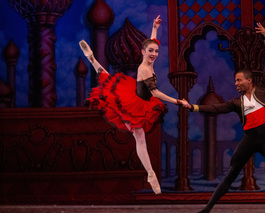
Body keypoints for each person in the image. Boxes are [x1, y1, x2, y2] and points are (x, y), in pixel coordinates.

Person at [183, 23, 265, 213]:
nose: (236, 83)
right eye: (235, 80)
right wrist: (193, 107)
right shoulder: (237, 103)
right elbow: (215, 108)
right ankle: (207, 209)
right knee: (229, 177)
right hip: (248, 141)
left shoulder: (263, 89)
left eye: (239, 80)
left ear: (249, 80)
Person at [79, 15, 188, 194]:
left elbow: (151, 43)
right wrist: (178, 101)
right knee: (139, 136)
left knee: (108, 78)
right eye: (150, 52)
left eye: (156, 51)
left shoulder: (149, 58)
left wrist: (155, 27)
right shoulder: (144, 69)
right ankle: (151, 173)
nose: (154, 54)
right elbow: (155, 93)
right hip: (136, 101)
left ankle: (92, 59)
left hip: (139, 96)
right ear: (142, 52)